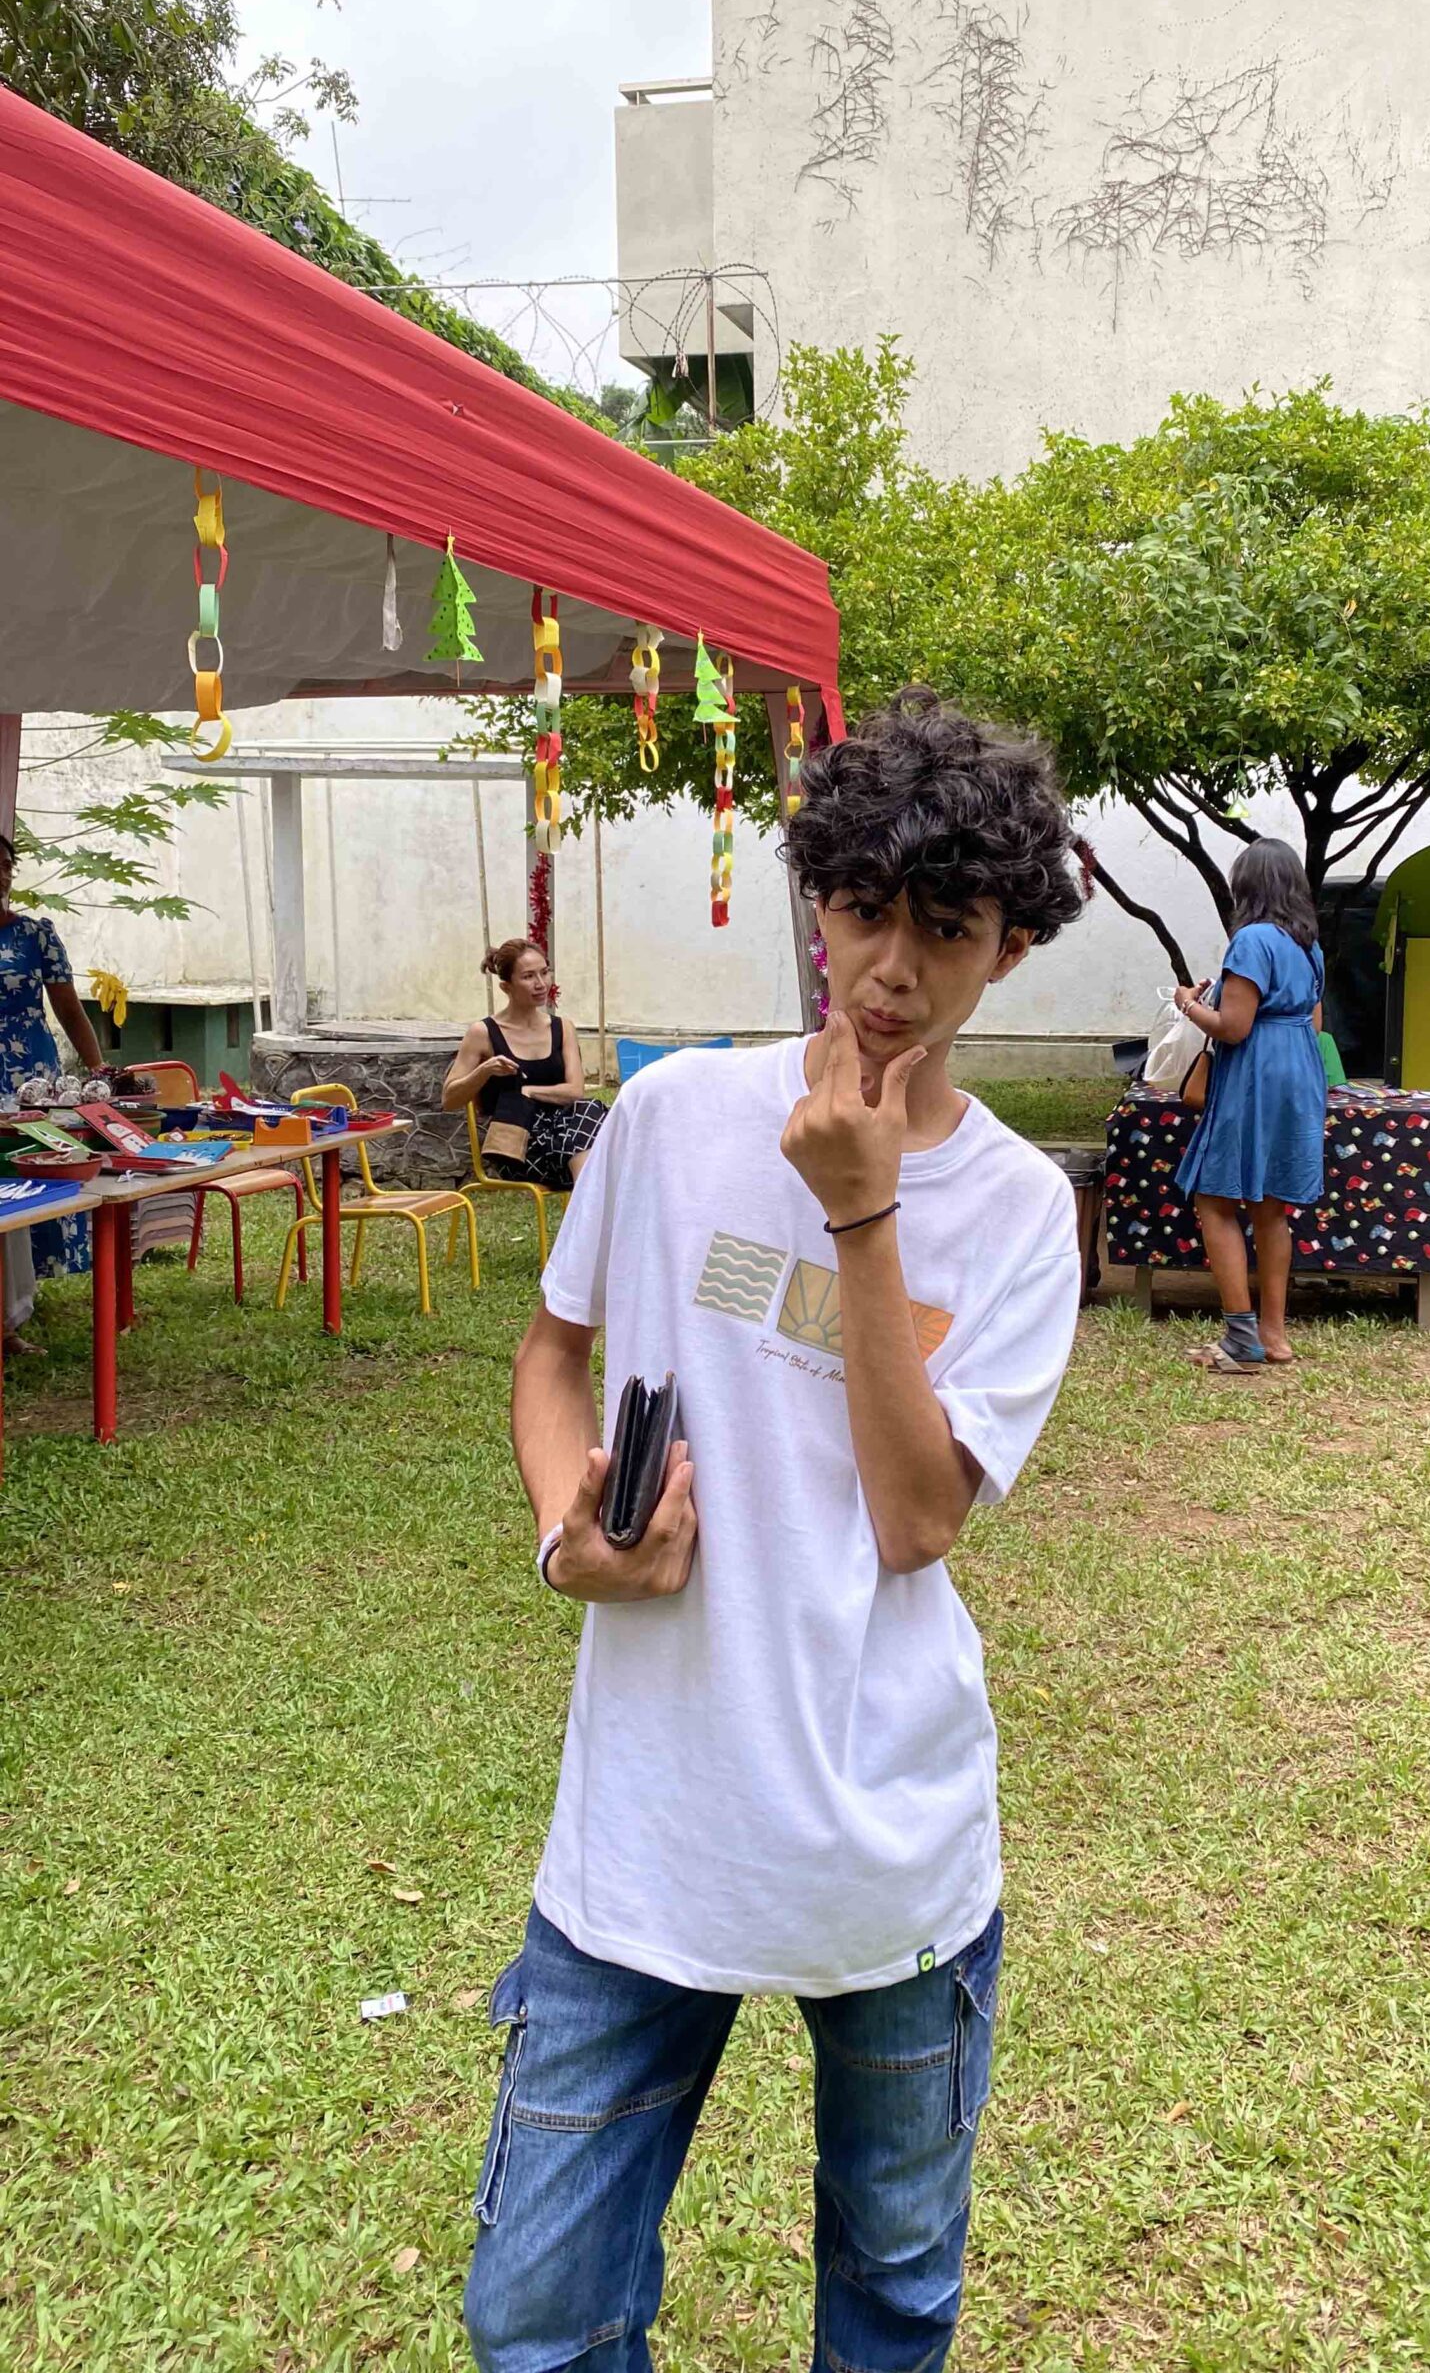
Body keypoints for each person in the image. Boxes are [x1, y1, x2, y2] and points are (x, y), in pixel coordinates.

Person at [463, 694, 1087, 2373]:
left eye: (946, 930)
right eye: (865, 910)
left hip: (888, 1849)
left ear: (1009, 949)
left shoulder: (1020, 1213)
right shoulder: (674, 1120)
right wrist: (568, 1532)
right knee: (536, 2316)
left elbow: (917, 1519)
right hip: (646, 1828)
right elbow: (553, 1354)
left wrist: (861, 1213)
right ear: (819, 901)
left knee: (891, 2290)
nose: (893, 969)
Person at [1170, 837, 1327, 1373]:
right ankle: (1273, 1334)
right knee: (1272, 1206)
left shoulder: (1252, 939)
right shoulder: (1308, 945)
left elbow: (1234, 1028)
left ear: (1246, 887)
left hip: (1256, 1073)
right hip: (1300, 1069)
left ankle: (1240, 1338)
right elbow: (1314, 1022)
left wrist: (1189, 1004)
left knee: (1215, 1199)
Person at [0, 830, 105, 1353]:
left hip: (30, 1077)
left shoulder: (35, 935)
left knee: (28, 1180)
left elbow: (68, 1009)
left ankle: (14, 1311)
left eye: (5, 866)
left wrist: (98, 1069)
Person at [440, 938, 605, 1189]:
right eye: (528, 976)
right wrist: (485, 1070)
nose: (541, 983)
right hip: (519, 1146)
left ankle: (586, 1201)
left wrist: (528, 1091)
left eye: (544, 972)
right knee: (596, 1145)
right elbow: (449, 1100)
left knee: (588, 1110)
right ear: (506, 986)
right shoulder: (483, 1033)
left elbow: (575, 1091)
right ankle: (589, 1201)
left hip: (569, 1139)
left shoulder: (563, 1028)